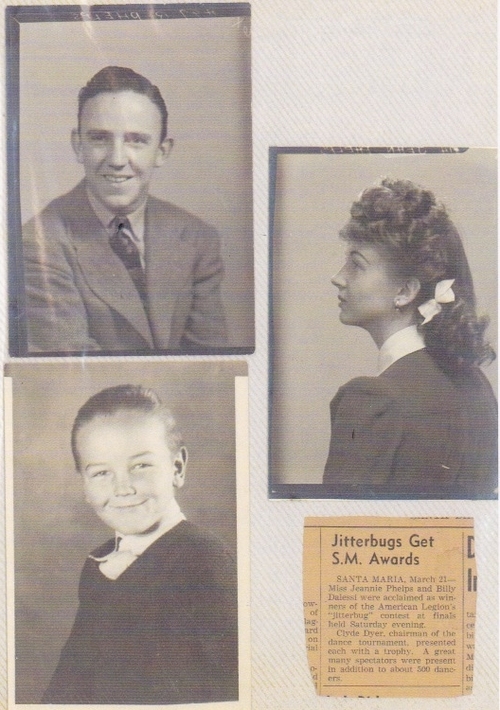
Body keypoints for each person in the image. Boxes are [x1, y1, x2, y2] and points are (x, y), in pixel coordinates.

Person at [42, 385, 238, 704]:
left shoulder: (203, 561)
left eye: (140, 466)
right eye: (101, 473)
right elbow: (70, 679)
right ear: (84, 484)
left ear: (177, 467)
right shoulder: (99, 565)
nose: (123, 488)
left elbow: (227, 687)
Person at [22, 66, 228, 354]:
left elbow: (211, 362)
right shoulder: (38, 243)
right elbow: (73, 366)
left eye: (136, 140)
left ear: (162, 152)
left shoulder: (196, 237)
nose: (117, 159)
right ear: (78, 145)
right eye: (100, 139)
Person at [323, 178, 497, 499]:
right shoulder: (477, 385)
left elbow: (339, 533)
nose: (338, 277)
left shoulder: (373, 398)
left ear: (404, 291)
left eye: (356, 264)